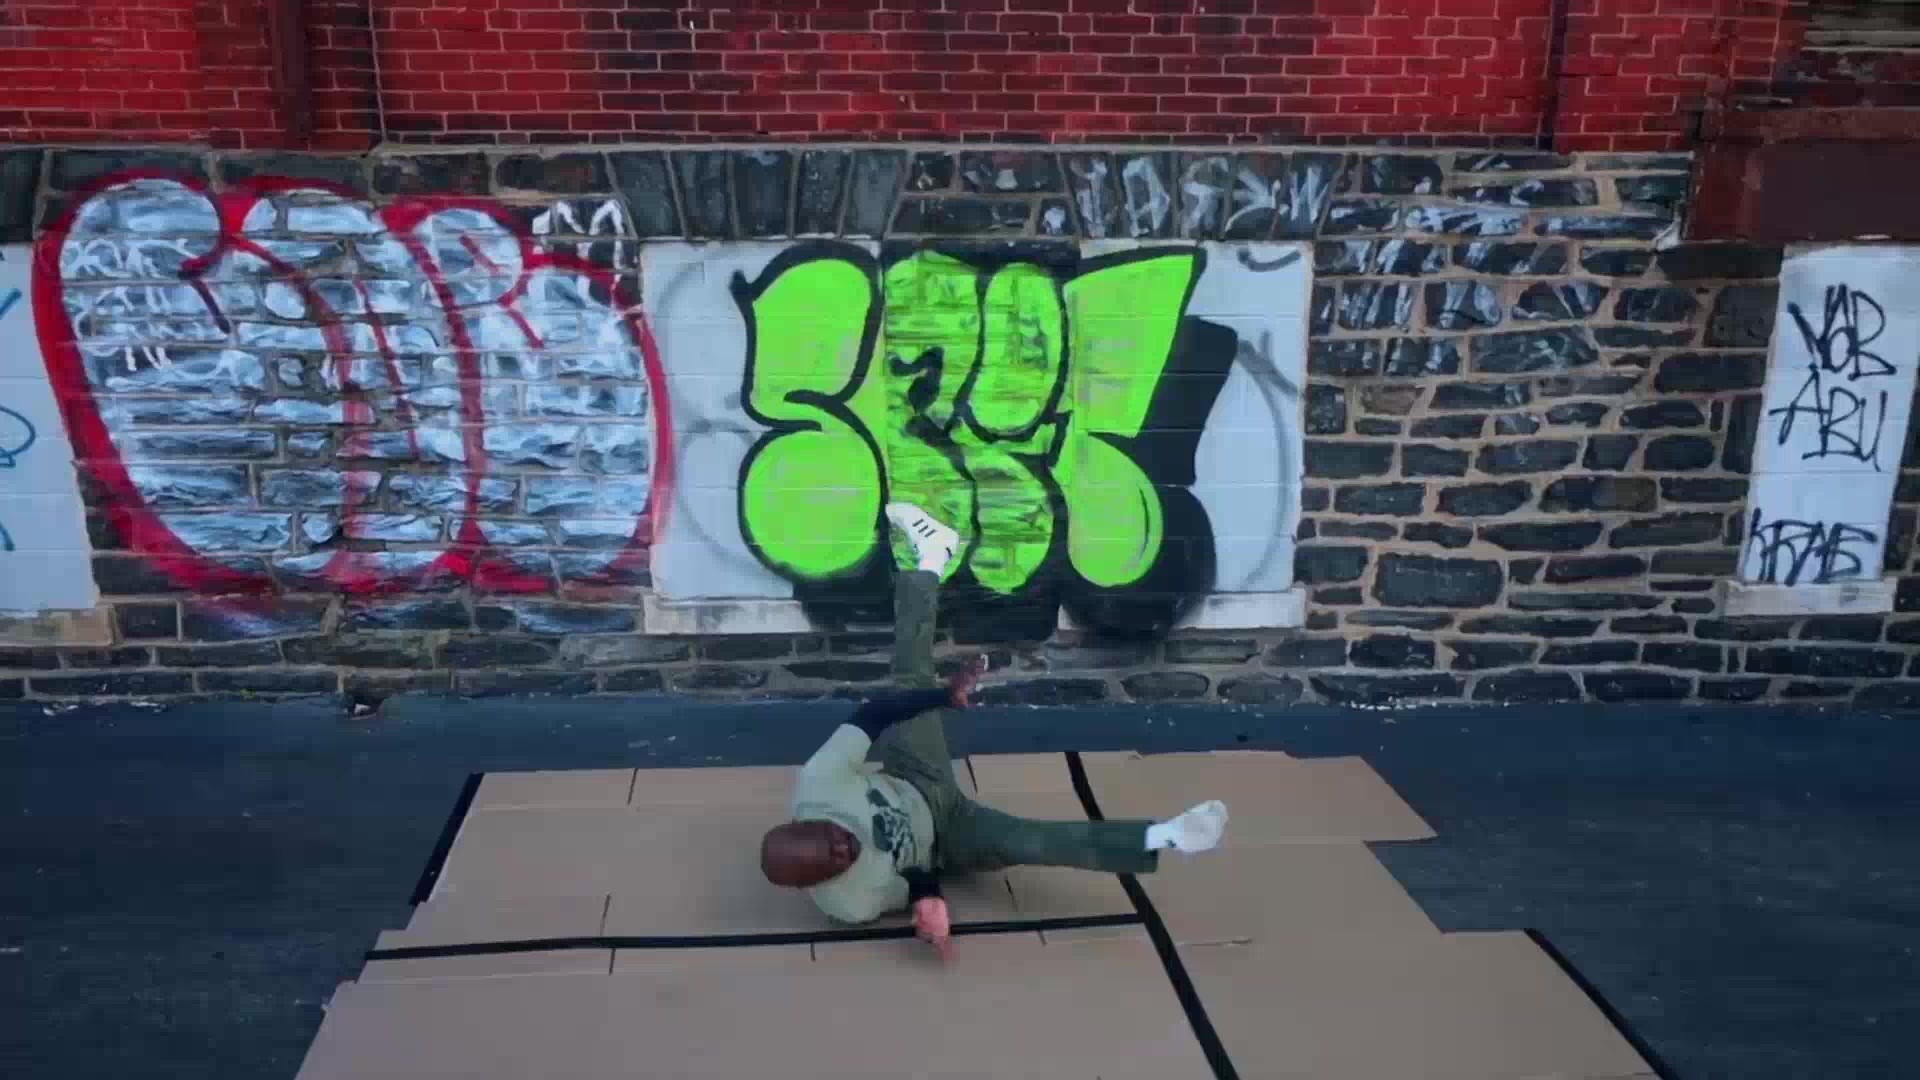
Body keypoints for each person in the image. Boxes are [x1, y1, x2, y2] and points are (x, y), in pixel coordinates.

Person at [759, 501, 1230, 959]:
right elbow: (915, 877)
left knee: (908, 676)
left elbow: (875, 715)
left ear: (809, 818)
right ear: (815, 884)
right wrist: (929, 901)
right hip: (950, 836)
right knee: (1029, 841)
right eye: (837, 859)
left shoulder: (820, 782)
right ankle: (1167, 836)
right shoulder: (850, 903)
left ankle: (931, 557)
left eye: (834, 834)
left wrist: (943, 697)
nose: (846, 845)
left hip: (911, 773)